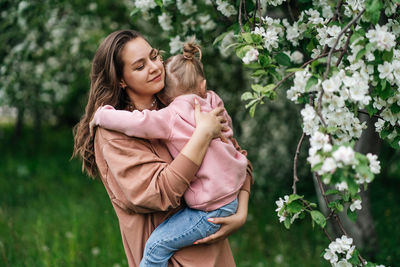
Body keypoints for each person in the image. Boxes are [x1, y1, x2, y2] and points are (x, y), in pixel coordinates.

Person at [72, 29, 253, 267]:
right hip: (171, 260)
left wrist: (241, 211)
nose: (156, 67)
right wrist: (202, 135)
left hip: (215, 253)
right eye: (140, 66)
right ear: (121, 80)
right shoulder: (113, 134)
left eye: (154, 56)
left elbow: (236, 157)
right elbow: (158, 194)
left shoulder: (178, 102)